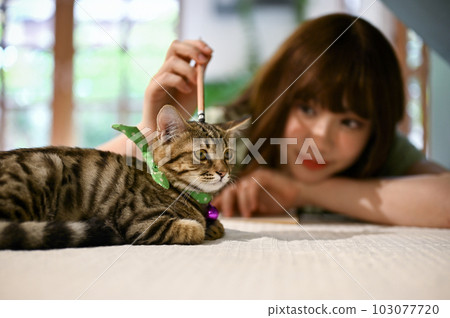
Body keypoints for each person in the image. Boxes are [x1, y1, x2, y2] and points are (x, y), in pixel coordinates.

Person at [100, 13, 450, 228]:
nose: (322, 138)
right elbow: (71, 175)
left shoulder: (381, 148)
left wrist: (302, 190)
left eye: (350, 122)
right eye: (308, 109)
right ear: (278, 98)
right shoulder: (231, 132)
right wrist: (151, 125)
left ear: (375, 128)